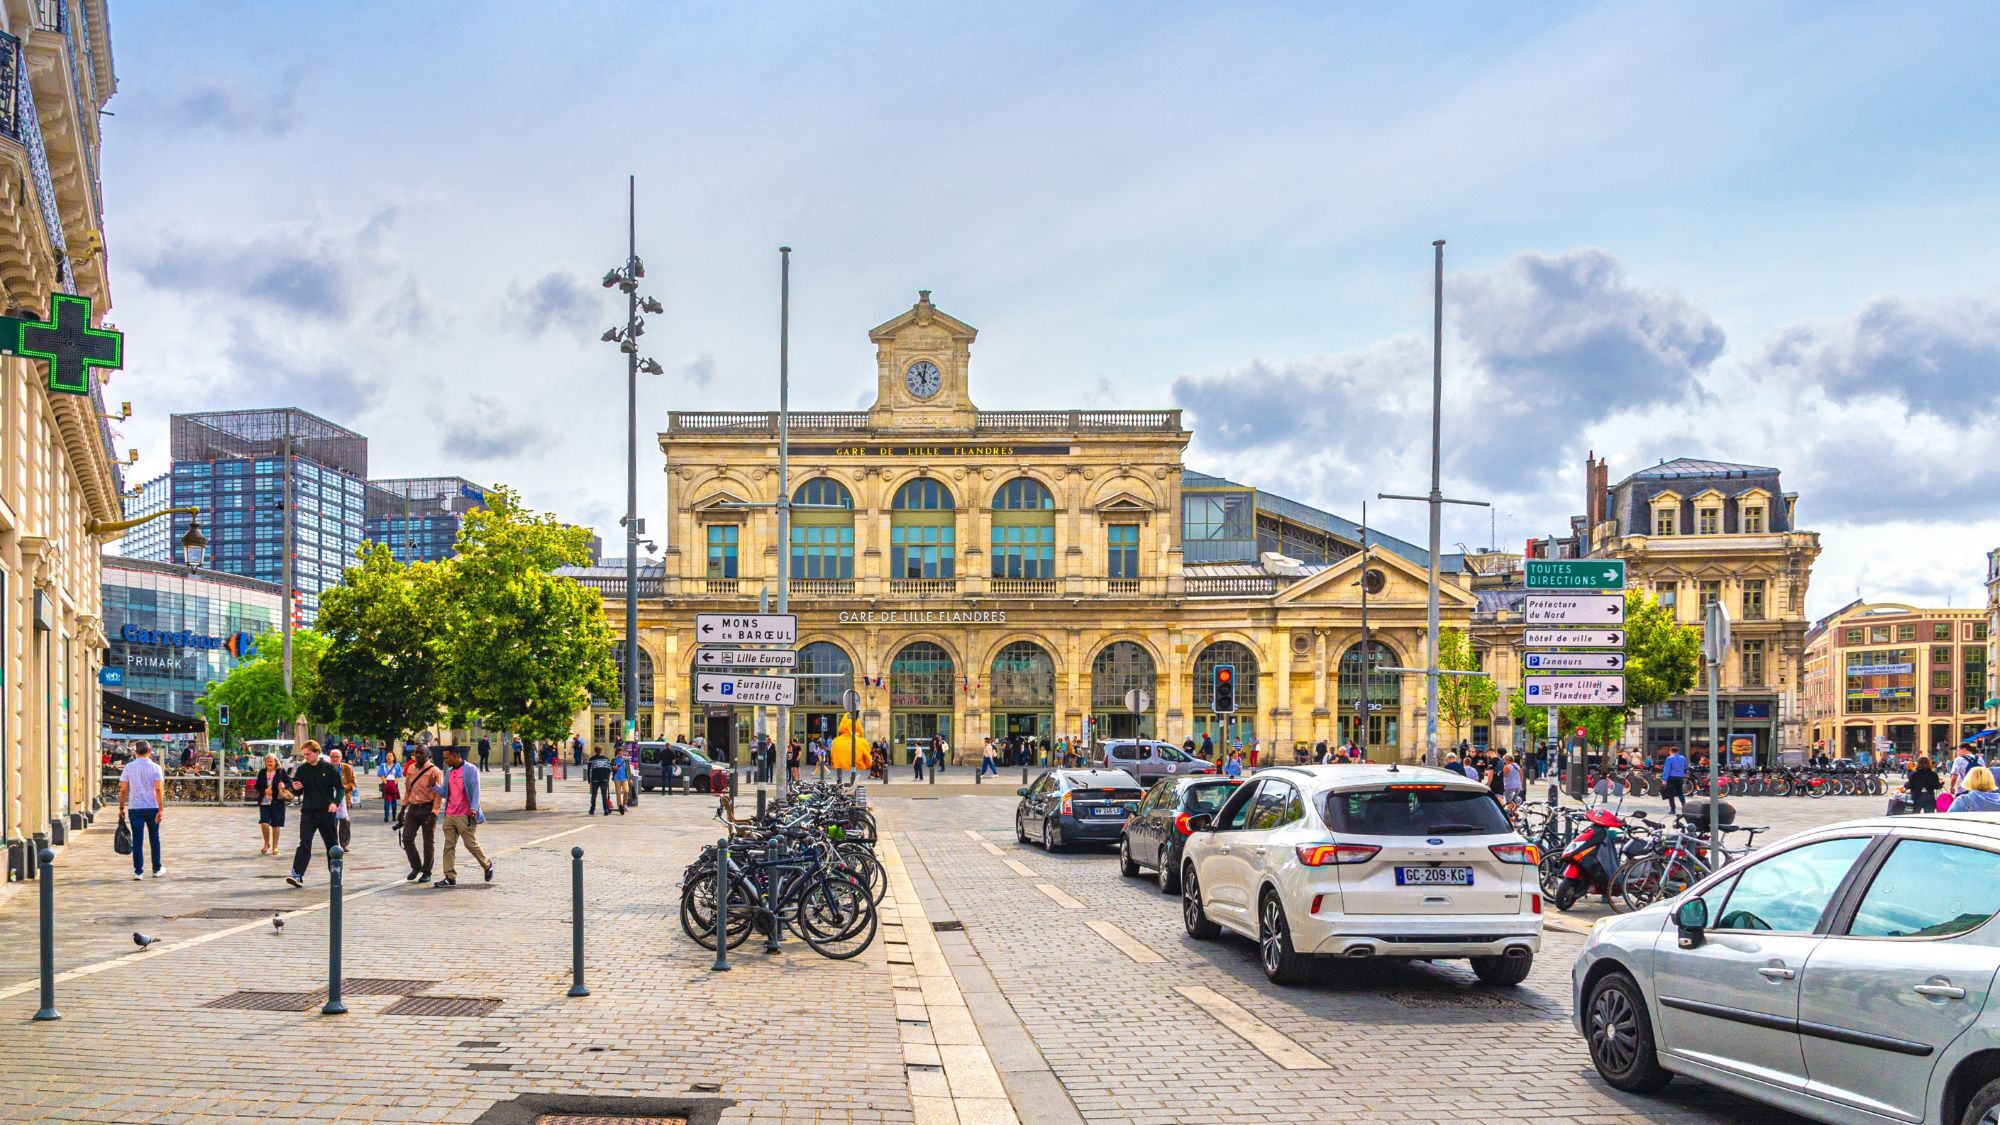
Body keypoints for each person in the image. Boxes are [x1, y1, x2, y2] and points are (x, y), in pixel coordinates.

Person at [285, 741, 345, 888]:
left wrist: (335, 803)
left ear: (317, 752)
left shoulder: (329, 768)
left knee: (331, 844)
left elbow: (340, 788)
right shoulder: (302, 769)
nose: (306, 757)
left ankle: (336, 873)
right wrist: (295, 787)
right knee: (304, 843)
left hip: (326, 812)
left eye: (308, 754)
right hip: (308, 812)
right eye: (304, 754)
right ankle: (297, 874)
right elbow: (297, 791)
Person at [435, 745, 492, 887]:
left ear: (455, 756)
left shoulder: (470, 769)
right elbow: (444, 793)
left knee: (470, 844)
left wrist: (474, 809)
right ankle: (450, 876)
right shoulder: (448, 772)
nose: (445, 760)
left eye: (446, 758)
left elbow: (476, 790)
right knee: (448, 846)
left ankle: (487, 864)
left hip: (465, 815)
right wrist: (433, 786)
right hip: (450, 815)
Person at [119, 740, 166, 880]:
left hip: (135, 807)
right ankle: (156, 868)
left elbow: (123, 790)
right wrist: (161, 809)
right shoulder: (156, 768)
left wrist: (121, 807)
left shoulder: (129, 767)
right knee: (154, 837)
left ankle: (138, 871)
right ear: (149, 750)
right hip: (152, 806)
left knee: (137, 839)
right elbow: (158, 789)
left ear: (135, 752)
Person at [400, 747, 442, 882]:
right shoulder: (411, 769)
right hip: (413, 809)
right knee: (406, 838)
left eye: (421, 753)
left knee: (428, 842)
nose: (418, 755)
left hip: (428, 809)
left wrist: (434, 813)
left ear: (428, 755)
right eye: (416, 753)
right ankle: (416, 866)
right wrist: (402, 809)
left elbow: (438, 794)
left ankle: (427, 871)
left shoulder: (434, 771)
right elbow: (408, 790)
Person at [249, 753, 291, 855]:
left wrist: (283, 785)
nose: (269, 763)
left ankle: (275, 847)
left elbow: (289, 783)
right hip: (264, 802)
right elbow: (257, 786)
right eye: (267, 761)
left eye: (271, 761)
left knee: (276, 825)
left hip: (277, 801)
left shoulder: (281, 772)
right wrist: (264, 791)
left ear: (275, 762)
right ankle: (266, 843)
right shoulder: (262, 772)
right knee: (264, 823)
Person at [329, 747, 357, 850]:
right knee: (332, 822)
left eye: (337, 757)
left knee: (344, 822)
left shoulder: (347, 768)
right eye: (332, 757)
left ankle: (344, 844)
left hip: (345, 799)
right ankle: (333, 844)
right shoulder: (326, 768)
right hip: (330, 800)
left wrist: (342, 788)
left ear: (341, 758)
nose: (335, 759)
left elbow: (353, 784)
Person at [586, 747, 614, 815]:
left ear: (595, 751)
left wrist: (589, 781)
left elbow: (589, 771)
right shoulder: (606, 759)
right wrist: (607, 778)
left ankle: (592, 809)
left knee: (594, 795)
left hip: (595, 779)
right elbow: (609, 769)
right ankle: (605, 809)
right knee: (604, 795)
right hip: (604, 779)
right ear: (601, 751)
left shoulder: (592, 759)